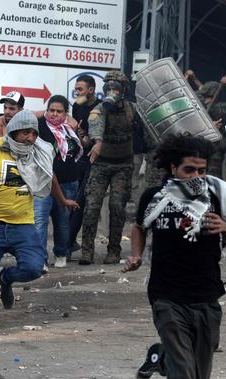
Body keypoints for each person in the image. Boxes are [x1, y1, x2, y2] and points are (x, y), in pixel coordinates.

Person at [124, 133, 226, 379]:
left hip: (206, 295)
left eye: (201, 169)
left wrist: (224, 228)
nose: (196, 176)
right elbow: (139, 228)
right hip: (166, 295)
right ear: (173, 167)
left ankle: (158, 356)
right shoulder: (155, 196)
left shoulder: (218, 193)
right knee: (182, 376)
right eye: (188, 169)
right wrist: (135, 255)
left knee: (198, 378)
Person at [0, 111, 78, 350]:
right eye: (25, 132)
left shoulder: (39, 151)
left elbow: (48, 177)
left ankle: (7, 278)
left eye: (33, 133)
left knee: (34, 268)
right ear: (13, 132)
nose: (30, 137)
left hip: (23, 225)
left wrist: (62, 200)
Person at [80, 70, 141, 265]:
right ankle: (87, 251)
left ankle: (114, 250)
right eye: (108, 87)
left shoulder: (132, 109)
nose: (112, 90)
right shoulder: (99, 109)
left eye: (116, 87)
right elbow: (96, 125)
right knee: (91, 207)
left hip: (123, 165)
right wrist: (97, 141)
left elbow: (149, 128)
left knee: (117, 207)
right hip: (101, 164)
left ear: (123, 90)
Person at [35, 95, 82, 268]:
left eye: (59, 111)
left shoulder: (70, 129)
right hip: (42, 182)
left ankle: (61, 252)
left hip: (67, 182)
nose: (54, 114)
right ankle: (40, 259)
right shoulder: (38, 126)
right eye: (51, 110)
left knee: (62, 221)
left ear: (66, 114)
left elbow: (78, 150)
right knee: (40, 221)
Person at [68, 74, 101, 257]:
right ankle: (69, 241)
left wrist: (91, 139)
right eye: (76, 89)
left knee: (81, 201)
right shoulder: (77, 107)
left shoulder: (100, 108)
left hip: (94, 160)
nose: (77, 92)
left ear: (91, 90)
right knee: (70, 199)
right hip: (79, 156)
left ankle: (67, 243)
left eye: (80, 89)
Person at [196, 75, 226, 178]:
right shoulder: (220, 108)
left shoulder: (195, 106)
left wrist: (194, 79)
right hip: (214, 146)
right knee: (213, 177)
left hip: (197, 145)